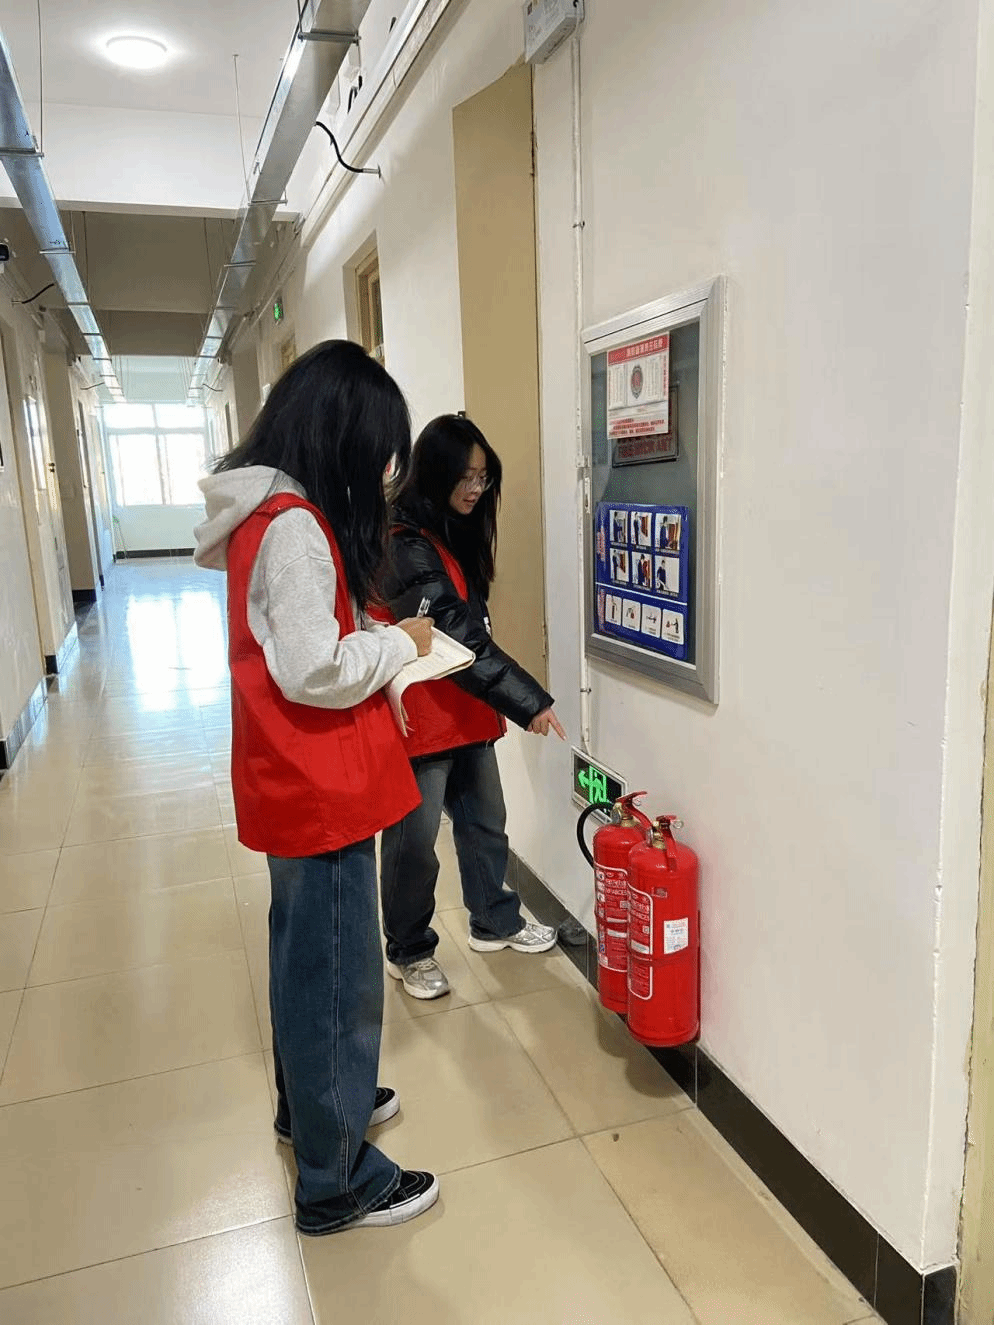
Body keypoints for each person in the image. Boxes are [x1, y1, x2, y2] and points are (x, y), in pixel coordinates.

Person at [193, 340, 439, 1234]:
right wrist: (400, 643)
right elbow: (314, 668)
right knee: (338, 978)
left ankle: (314, 1110)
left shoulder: (261, 511)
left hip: (287, 777)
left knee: (304, 961)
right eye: (377, 454)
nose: (380, 475)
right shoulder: (294, 524)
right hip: (320, 783)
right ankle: (337, 1180)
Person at [378, 413, 567, 1000]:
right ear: (434, 474)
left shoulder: (450, 531)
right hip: (422, 715)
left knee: (486, 823)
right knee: (414, 847)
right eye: (465, 477)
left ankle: (494, 920)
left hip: (466, 709)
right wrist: (528, 701)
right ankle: (409, 949)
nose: (475, 489)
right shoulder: (403, 541)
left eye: (483, 478)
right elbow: (455, 633)